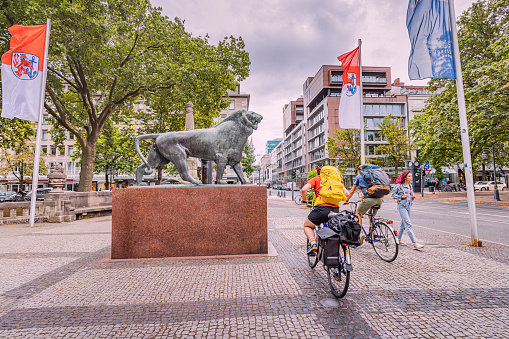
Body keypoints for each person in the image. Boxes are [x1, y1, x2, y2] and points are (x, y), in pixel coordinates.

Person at [301, 164, 350, 254]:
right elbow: (347, 194)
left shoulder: (316, 179)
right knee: (334, 232)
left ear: (318, 172)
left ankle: (313, 244)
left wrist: (305, 199)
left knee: (307, 226)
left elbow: (304, 189)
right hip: (335, 210)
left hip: (321, 209)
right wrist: (346, 201)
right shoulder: (335, 180)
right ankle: (340, 259)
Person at [347, 165, 383, 243]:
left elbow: (352, 191)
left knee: (358, 213)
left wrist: (347, 200)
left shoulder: (359, 177)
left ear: (360, 170)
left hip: (369, 199)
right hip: (379, 199)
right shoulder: (375, 176)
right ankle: (373, 233)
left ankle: (359, 234)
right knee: (371, 215)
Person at [391, 170, 424, 250]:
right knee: (408, 224)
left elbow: (409, 195)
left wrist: (412, 197)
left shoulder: (410, 185)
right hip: (402, 206)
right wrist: (401, 197)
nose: (411, 177)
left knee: (403, 225)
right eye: (409, 176)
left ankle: (398, 240)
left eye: (411, 176)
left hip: (409, 205)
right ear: (405, 177)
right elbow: (392, 194)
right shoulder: (399, 186)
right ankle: (415, 243)